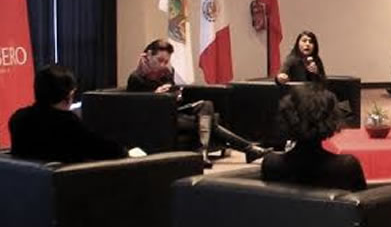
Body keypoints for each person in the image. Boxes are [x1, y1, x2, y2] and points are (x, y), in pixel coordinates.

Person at [127, 39, 267, 166]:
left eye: (166, 61)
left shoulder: (166, 73)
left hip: (174, 111)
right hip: (157, 118)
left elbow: (174, 94)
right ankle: (246, 149)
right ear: (149, 55)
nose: (163, 65)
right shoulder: (137, 77)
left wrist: (176, 94)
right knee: (209, 124)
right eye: (159, 60)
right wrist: (157, 96)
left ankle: (205, 152)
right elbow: (138, 107)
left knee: (206, 105)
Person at [9, 64, 126, 164]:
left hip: (21, 188)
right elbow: (105, 150)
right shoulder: (67, 123)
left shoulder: (17, 118)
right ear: (68, 95)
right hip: (68, 187)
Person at [261, 84, 366, 191]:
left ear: (287, 118)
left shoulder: (271, 164)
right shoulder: (347, 166)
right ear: (331, 120)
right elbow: (365, 204)